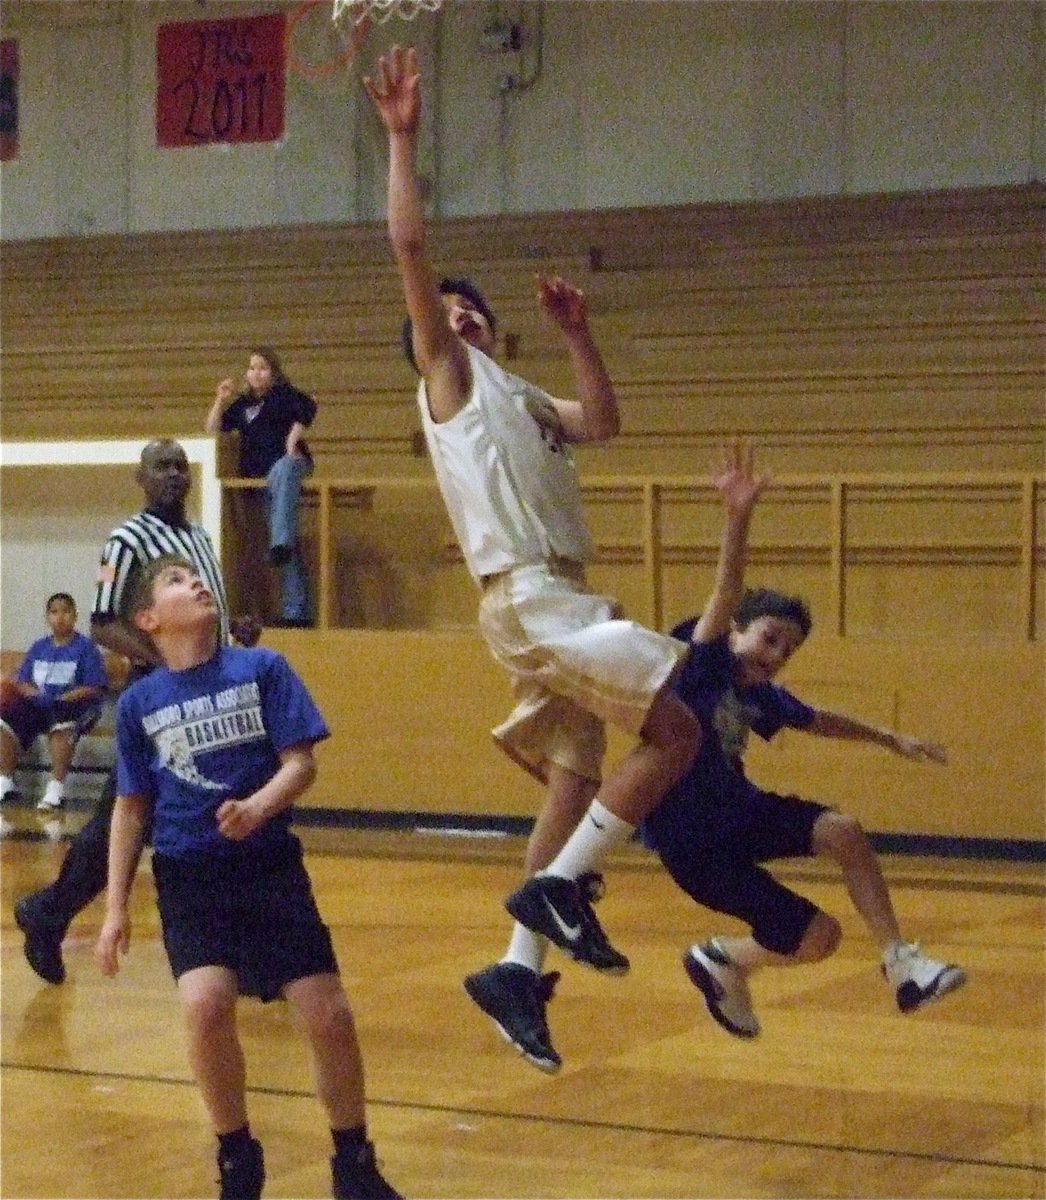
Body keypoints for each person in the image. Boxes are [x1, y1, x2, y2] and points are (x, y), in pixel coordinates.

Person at [365, 46, 701, 1073]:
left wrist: (577, 335)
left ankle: (515, 971)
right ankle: (559, 893)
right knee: (678, 728)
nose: (457, 313)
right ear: (430, 336)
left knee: (569, 782)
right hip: (528, 594)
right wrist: (402, 137)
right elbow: (410, 245)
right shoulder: (451, 382)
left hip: (555, 595)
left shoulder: (515, 393)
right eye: (443, 311)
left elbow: (600, 418)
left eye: (470, 309)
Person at [95, 554, 402, 1200]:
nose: (197, 582)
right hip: (189, 878)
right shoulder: (141, 704)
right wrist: (114, 909)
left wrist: (261, 806)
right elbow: (131, 809)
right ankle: (238, 1157)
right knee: (205, 1007)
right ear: (149, 620)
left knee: (329, 1016)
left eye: (197, 575)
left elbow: (301, 765)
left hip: (268, 871)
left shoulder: (261, 669)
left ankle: (355, 1163)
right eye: (177, 581)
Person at [641, 441, 967, 1039]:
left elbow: (818, 719)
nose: (777, 655)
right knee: (819, 937)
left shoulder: (756, 691)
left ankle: (898, 965)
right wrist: (737, 518)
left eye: (788, 650)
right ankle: (724, 958)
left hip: (736, 812)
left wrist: (892, 738)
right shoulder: (701, 662)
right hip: (693, 843)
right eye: (769, 638)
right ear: (736, 629)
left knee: (842, 833)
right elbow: (724, 589)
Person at [14, 439, 261, 986]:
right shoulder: (127, 540)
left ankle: (235, 952)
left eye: (180, 467)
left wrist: (230, 631)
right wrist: (169, 663)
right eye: (162, 467)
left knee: (208, 815)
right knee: (124, 823)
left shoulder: (196, 536)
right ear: (141, 477)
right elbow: (104, 623)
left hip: (207, 691)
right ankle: (49, 912)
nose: (174, 476)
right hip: (160, 699)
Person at [206, 347, 317, 627]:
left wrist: (292, 441)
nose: (256, 373)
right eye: (252, 368)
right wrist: (220, 400)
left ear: (273, 372)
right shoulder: (242, 405)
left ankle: (279, 544)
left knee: (282, 467)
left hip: (289, 467)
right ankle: (296, 611)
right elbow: (212, 430)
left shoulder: (283, 395)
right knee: (286, 541)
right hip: (262, 480)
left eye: (263, 368)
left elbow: (309, 408)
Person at [0, 592, 108, 812]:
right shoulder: (39, 647)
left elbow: (93, 687)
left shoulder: (86, 648)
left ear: (75, 615)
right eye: (54, 612)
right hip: (40, 705)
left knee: (61, 723)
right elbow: (23, 681)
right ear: (47, 617)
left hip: (76, 706)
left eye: (66, 611)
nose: (60, 617)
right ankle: (6, 780)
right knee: (4, 719)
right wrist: (32, 693)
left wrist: (62, 698)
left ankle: (56, 788)